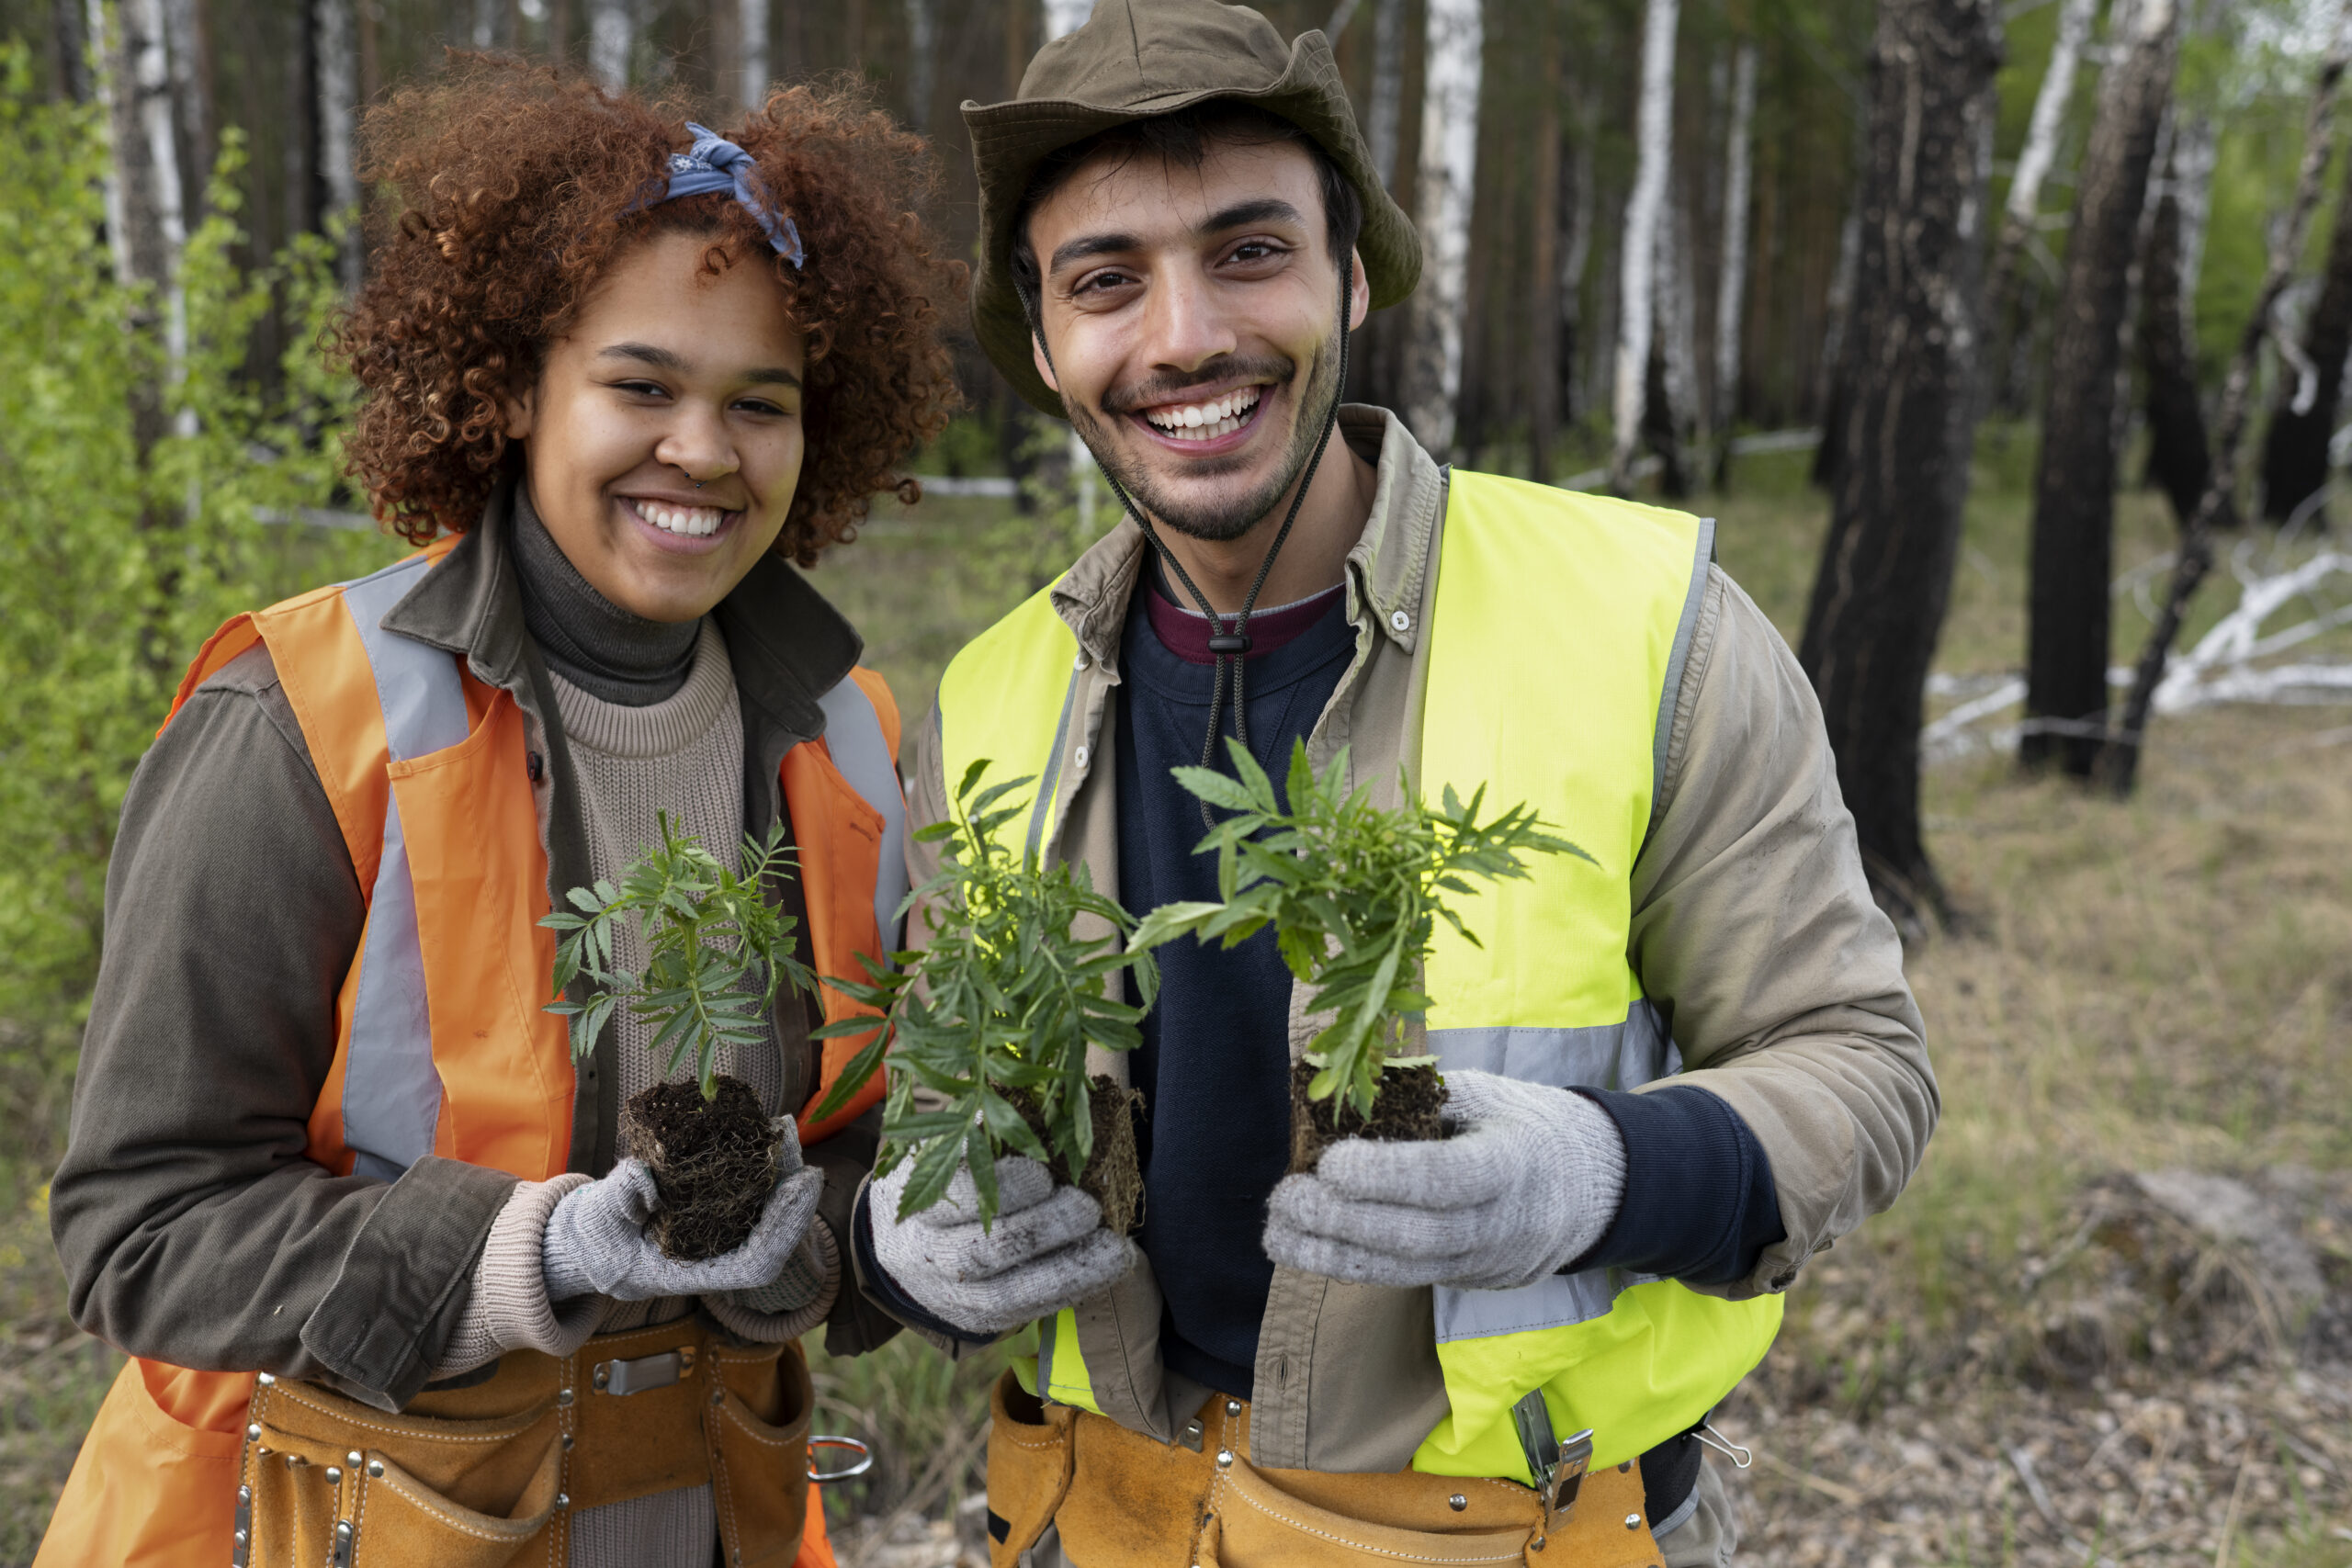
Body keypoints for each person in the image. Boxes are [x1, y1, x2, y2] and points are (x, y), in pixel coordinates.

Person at [853, 5, 1936, 1564]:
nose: (1180, 338)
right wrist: (914, 1225)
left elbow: (1859, 1067)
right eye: (1106, 281)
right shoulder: (991, 696)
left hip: (1517, 1531)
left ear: (1351, 274)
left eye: (1248, 250)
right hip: (1105, 1518)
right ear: (1042, 345)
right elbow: (951, 1081)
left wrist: (1597, 1176)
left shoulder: (1644, 620)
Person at [39, 62, 958, 1568]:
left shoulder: (848, 738)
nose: (705, 453)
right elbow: (144, 1227)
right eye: (642, 385)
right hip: (333, 1517)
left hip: (707, 1511)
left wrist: (884, 1242)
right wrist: (512, 1257)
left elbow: (846, 1154)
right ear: (518, 386)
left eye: (762, 403)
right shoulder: (301, 712)